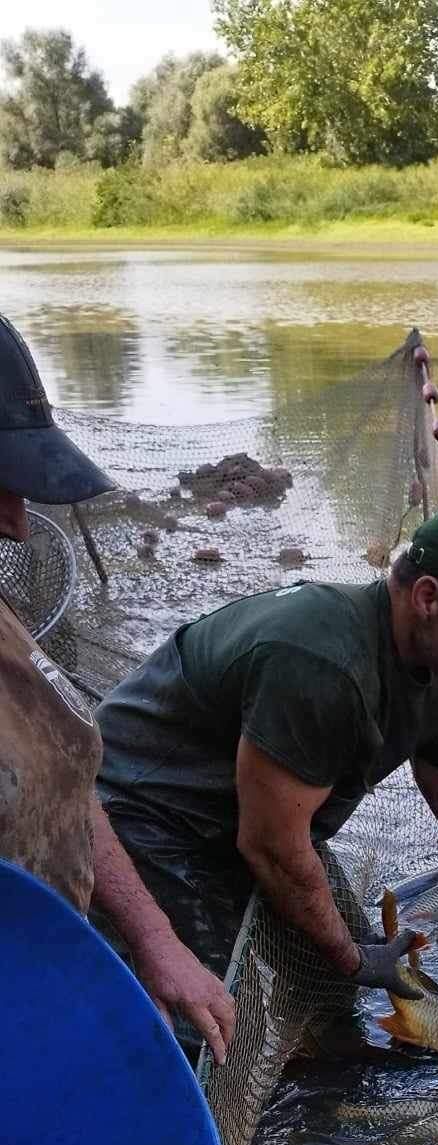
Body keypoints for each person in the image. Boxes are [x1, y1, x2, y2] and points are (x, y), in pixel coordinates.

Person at [95, 503, 438, 1018]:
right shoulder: (322, 663)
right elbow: (273, 848)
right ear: (428, 596)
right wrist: (351, 957)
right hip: (141, 813)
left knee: (334, 994)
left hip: (257, 818)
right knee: (204, 1018)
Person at [0, 312, 235, 1066]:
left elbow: (66, 790)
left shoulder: (5, 619)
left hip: (54, 993)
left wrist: (154, 939)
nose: (20, 525)